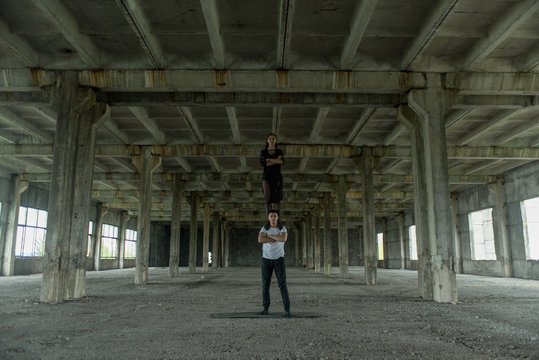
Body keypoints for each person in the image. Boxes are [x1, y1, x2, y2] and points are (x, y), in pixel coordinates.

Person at [258, 210, 291, 317]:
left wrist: (270, 237)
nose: (273, 218)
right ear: (268, 217)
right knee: (265, 285)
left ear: (278, 217)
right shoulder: (264, 228)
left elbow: (283, 238)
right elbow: (260, 239)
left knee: (282, 285)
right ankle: (265, 308)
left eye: (274, 216)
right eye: (271, 216)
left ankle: (287, 310)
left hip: (279, 259)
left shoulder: (282, 228)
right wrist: (275, 237)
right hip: (266, 259)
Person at [260, 133, 284, 214]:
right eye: (270, 138)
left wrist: (269, 159)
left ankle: (277, 221)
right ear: (267, 141)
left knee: (277, 200)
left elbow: (281, 161)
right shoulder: (263, 152)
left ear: (275, 140)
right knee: (267, 199)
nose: (271, 140)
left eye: (273, 138)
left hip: (277, 177)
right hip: (266, 177)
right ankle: (269, 221)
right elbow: (264, 164)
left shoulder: (279, 151)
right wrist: (275, 160)